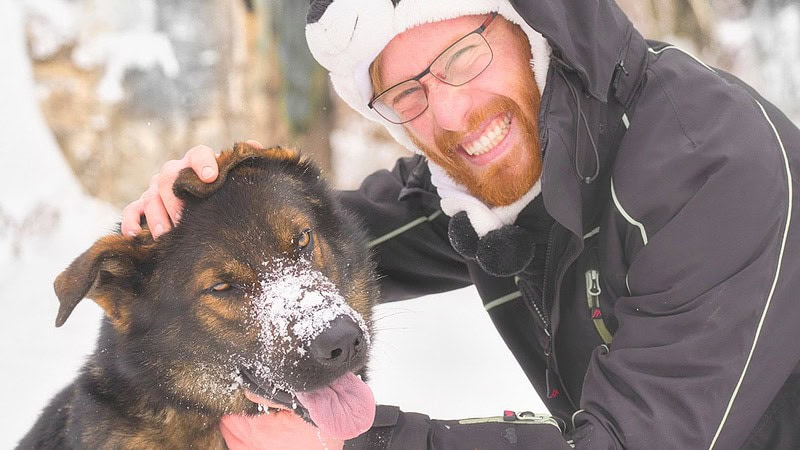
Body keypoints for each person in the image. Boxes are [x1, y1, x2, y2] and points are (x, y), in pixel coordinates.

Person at [121, 0, 800, 448]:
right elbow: (332, 238)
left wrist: (365, 443)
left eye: (463, 59)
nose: (449, 116)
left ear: (533, 32)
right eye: (407, 93)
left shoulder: (710, 167)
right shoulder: (490, 179)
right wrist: (209, 219)